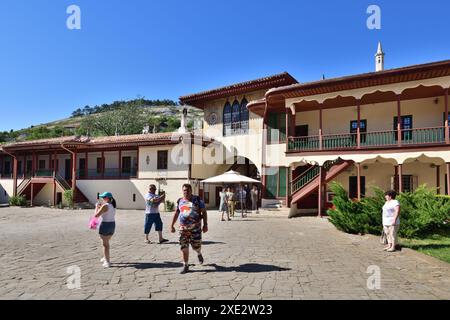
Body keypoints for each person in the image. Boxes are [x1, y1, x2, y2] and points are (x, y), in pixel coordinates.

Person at [170, 184, 208, 274]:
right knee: (184, 246)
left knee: (196, 246)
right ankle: (185, 265)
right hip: (183, 228)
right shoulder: (180, 201)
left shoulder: (198, 200)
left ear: (191, 191)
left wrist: (205, 225)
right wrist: (172, 225)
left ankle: (198, 253)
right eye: (184, 190)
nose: (185, 192)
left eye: (187, 190)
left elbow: (204, 212)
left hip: (196, 228)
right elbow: (176, 213)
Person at [94, 192, 117, 268]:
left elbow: (96, 215)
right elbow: (107, 211)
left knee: (105, 245)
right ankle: (105, 257)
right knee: (106, 242)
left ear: (107, 198)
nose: (102, 199)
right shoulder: (113, 205)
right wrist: (101, 207)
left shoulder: (105, 205)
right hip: (112, 225)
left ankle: (107, 262)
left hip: (105, 225)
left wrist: (96, 207)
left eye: (104, 197)